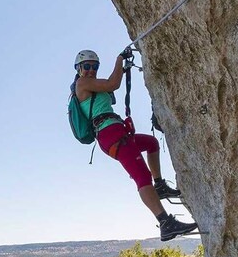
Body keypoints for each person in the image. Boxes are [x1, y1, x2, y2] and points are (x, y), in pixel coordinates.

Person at [72, 48, 198, 242]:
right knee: (141, 175)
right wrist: (119, 59)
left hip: (114, 131)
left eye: (94, 66)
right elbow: (113, 84)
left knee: (151, 143)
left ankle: (160, 186)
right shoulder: (82, 83)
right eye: (87, 66)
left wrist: (122, 68)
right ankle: (165, 222)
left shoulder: (92, 84)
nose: (91, 70)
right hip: (110, 133)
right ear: (79, 68)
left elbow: (112, 83)